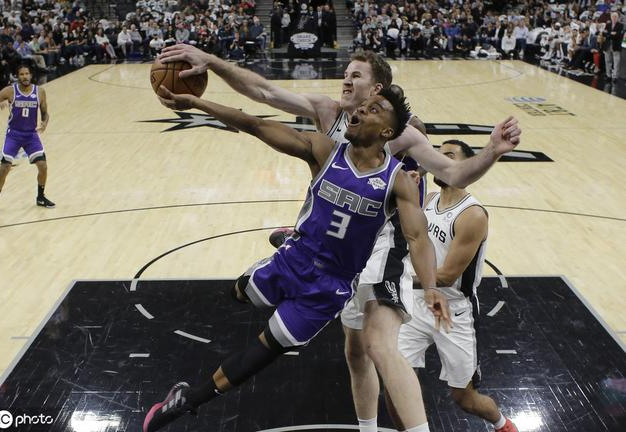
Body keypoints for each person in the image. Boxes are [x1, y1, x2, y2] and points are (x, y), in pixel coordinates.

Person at [157, 45, 521, 432]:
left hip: (382, 246)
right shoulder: (327, 117)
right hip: (320, 247)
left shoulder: (402, 141)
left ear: (377, 89)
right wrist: (210, 65)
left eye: (356, 76)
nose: (346, 80)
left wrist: (492, 151)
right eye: (346, 73)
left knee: (379, 345)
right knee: (354, 350)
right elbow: (261, 97)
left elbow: (452, 178)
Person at [143, 85, 449, 432]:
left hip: (330, 288)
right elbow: (255, 124)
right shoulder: (323, 150)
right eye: (363, 105)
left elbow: (418, 238)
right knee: (240, 292)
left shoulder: (397, 181)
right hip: (294, 261)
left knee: (264, 352)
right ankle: (289, 240)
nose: (361, 109)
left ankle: (188, 399)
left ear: (387, 132)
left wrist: (430, 288)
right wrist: (197, 102)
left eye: (374, 109)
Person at [393, 140, 517, 432]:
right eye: (438, 155)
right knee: (396, 381)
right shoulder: (429, 199)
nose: (440, 161)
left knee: (465, 398)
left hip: (453, 312)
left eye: (448, 156)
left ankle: (503, 425)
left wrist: (397, 279)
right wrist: (406, 191)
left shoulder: (473, 215)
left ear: (466, 167)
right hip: (416, 305)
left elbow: (447, 276)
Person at [0, 64, 53, 215]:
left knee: (43, 166)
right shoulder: (10, 91)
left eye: (27, 74)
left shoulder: (40, 91)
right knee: (5, 167)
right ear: (17, 77)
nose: (25, 76)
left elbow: (45, 113)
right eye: (21, 74)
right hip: (14, 135)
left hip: (31, 135)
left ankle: (40, 197)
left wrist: (44, 123)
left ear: (31, 75)